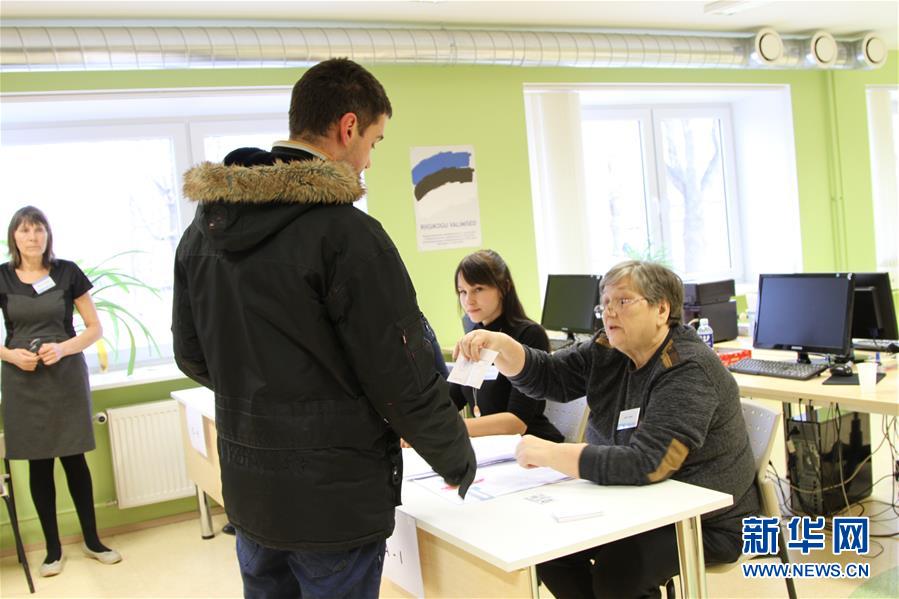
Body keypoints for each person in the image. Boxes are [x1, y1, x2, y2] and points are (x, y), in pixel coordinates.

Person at [172, 58, 475, 599]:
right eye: (374, 142)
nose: (369, 161)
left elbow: (191, 353)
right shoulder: (348, 236)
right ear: (348, 127)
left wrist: (266, 397)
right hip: (335, 500)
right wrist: (454, 454)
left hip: (251, 489)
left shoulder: (203, 233)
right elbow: (399, 374)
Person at [455, 260, 759, 598]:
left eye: (623, 301)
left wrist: (553, 454)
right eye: (605, 303)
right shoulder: (609, 350)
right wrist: (501, 346)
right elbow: (550, 377)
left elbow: (649, 463)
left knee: (620, 572)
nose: (609, 313)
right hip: (632, 500)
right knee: (548, 548)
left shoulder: (688, 368)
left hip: (707, 519)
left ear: (661, 310)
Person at [0, 206, 122, 578]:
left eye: (39, 229)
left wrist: (63, 348)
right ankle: (52, 550)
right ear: (14, 236)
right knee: (39, 463)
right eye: (25, 230)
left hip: (65, 375)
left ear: (48, 235)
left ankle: (92, 541)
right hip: (22, 379)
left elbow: (94, 328)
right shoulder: (1, 277)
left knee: (74, 459)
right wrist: (10, 355)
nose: (32, 237)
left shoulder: (68, 272)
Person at [450, 250, 562, 442]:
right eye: (463, 291)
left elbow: (517, 423)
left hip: (532, 445)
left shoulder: (530, 335)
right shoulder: (474, 335)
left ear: (503, 287)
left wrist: (446, 429)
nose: (469, 300)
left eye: (478, 289)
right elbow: (450, 400)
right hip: (491, 447)